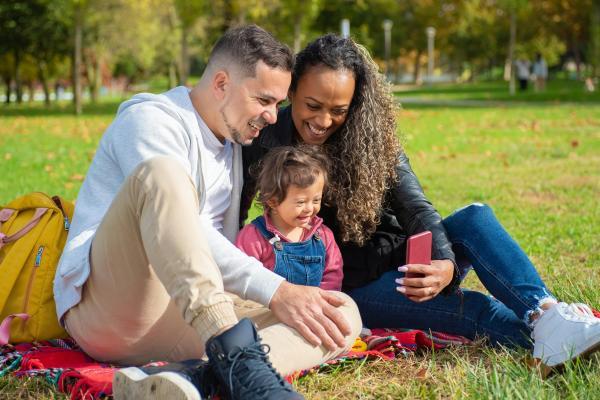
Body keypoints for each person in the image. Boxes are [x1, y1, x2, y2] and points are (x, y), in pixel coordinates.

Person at [241, 34, 600, 371]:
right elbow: (236, 212)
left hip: (404, 256)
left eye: (338, 109)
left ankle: (548, 314)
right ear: (291, 91)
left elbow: (415, 207)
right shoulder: (265, 138)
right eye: (312, 106)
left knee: (475, 217)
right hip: (355, 283)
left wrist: (443, 262)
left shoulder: (371, 135)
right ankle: (561, 342)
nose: (323, 121)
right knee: (471, 309)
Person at [54, 26, 362, 400]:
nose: (270, 116)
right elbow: (187, 228)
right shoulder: (151, 120)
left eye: (277, 104)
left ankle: (193, 378)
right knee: (161, 174)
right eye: (263, 100)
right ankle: (242, 366)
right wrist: (276, 290)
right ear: (221, 83)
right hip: (110, 308)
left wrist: (291, 295)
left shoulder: (231, 139)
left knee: (338, 312)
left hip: (187, 320)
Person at [236, 145, 343, 290]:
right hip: (266, 310)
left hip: (315, 307)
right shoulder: (253, 237)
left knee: (348, 308)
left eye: (316, 200)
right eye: (301, 202)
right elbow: (243, 278)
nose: (310, 208)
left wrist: (323, 301)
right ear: (273, 201)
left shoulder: (323, 236)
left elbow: (332, 275)